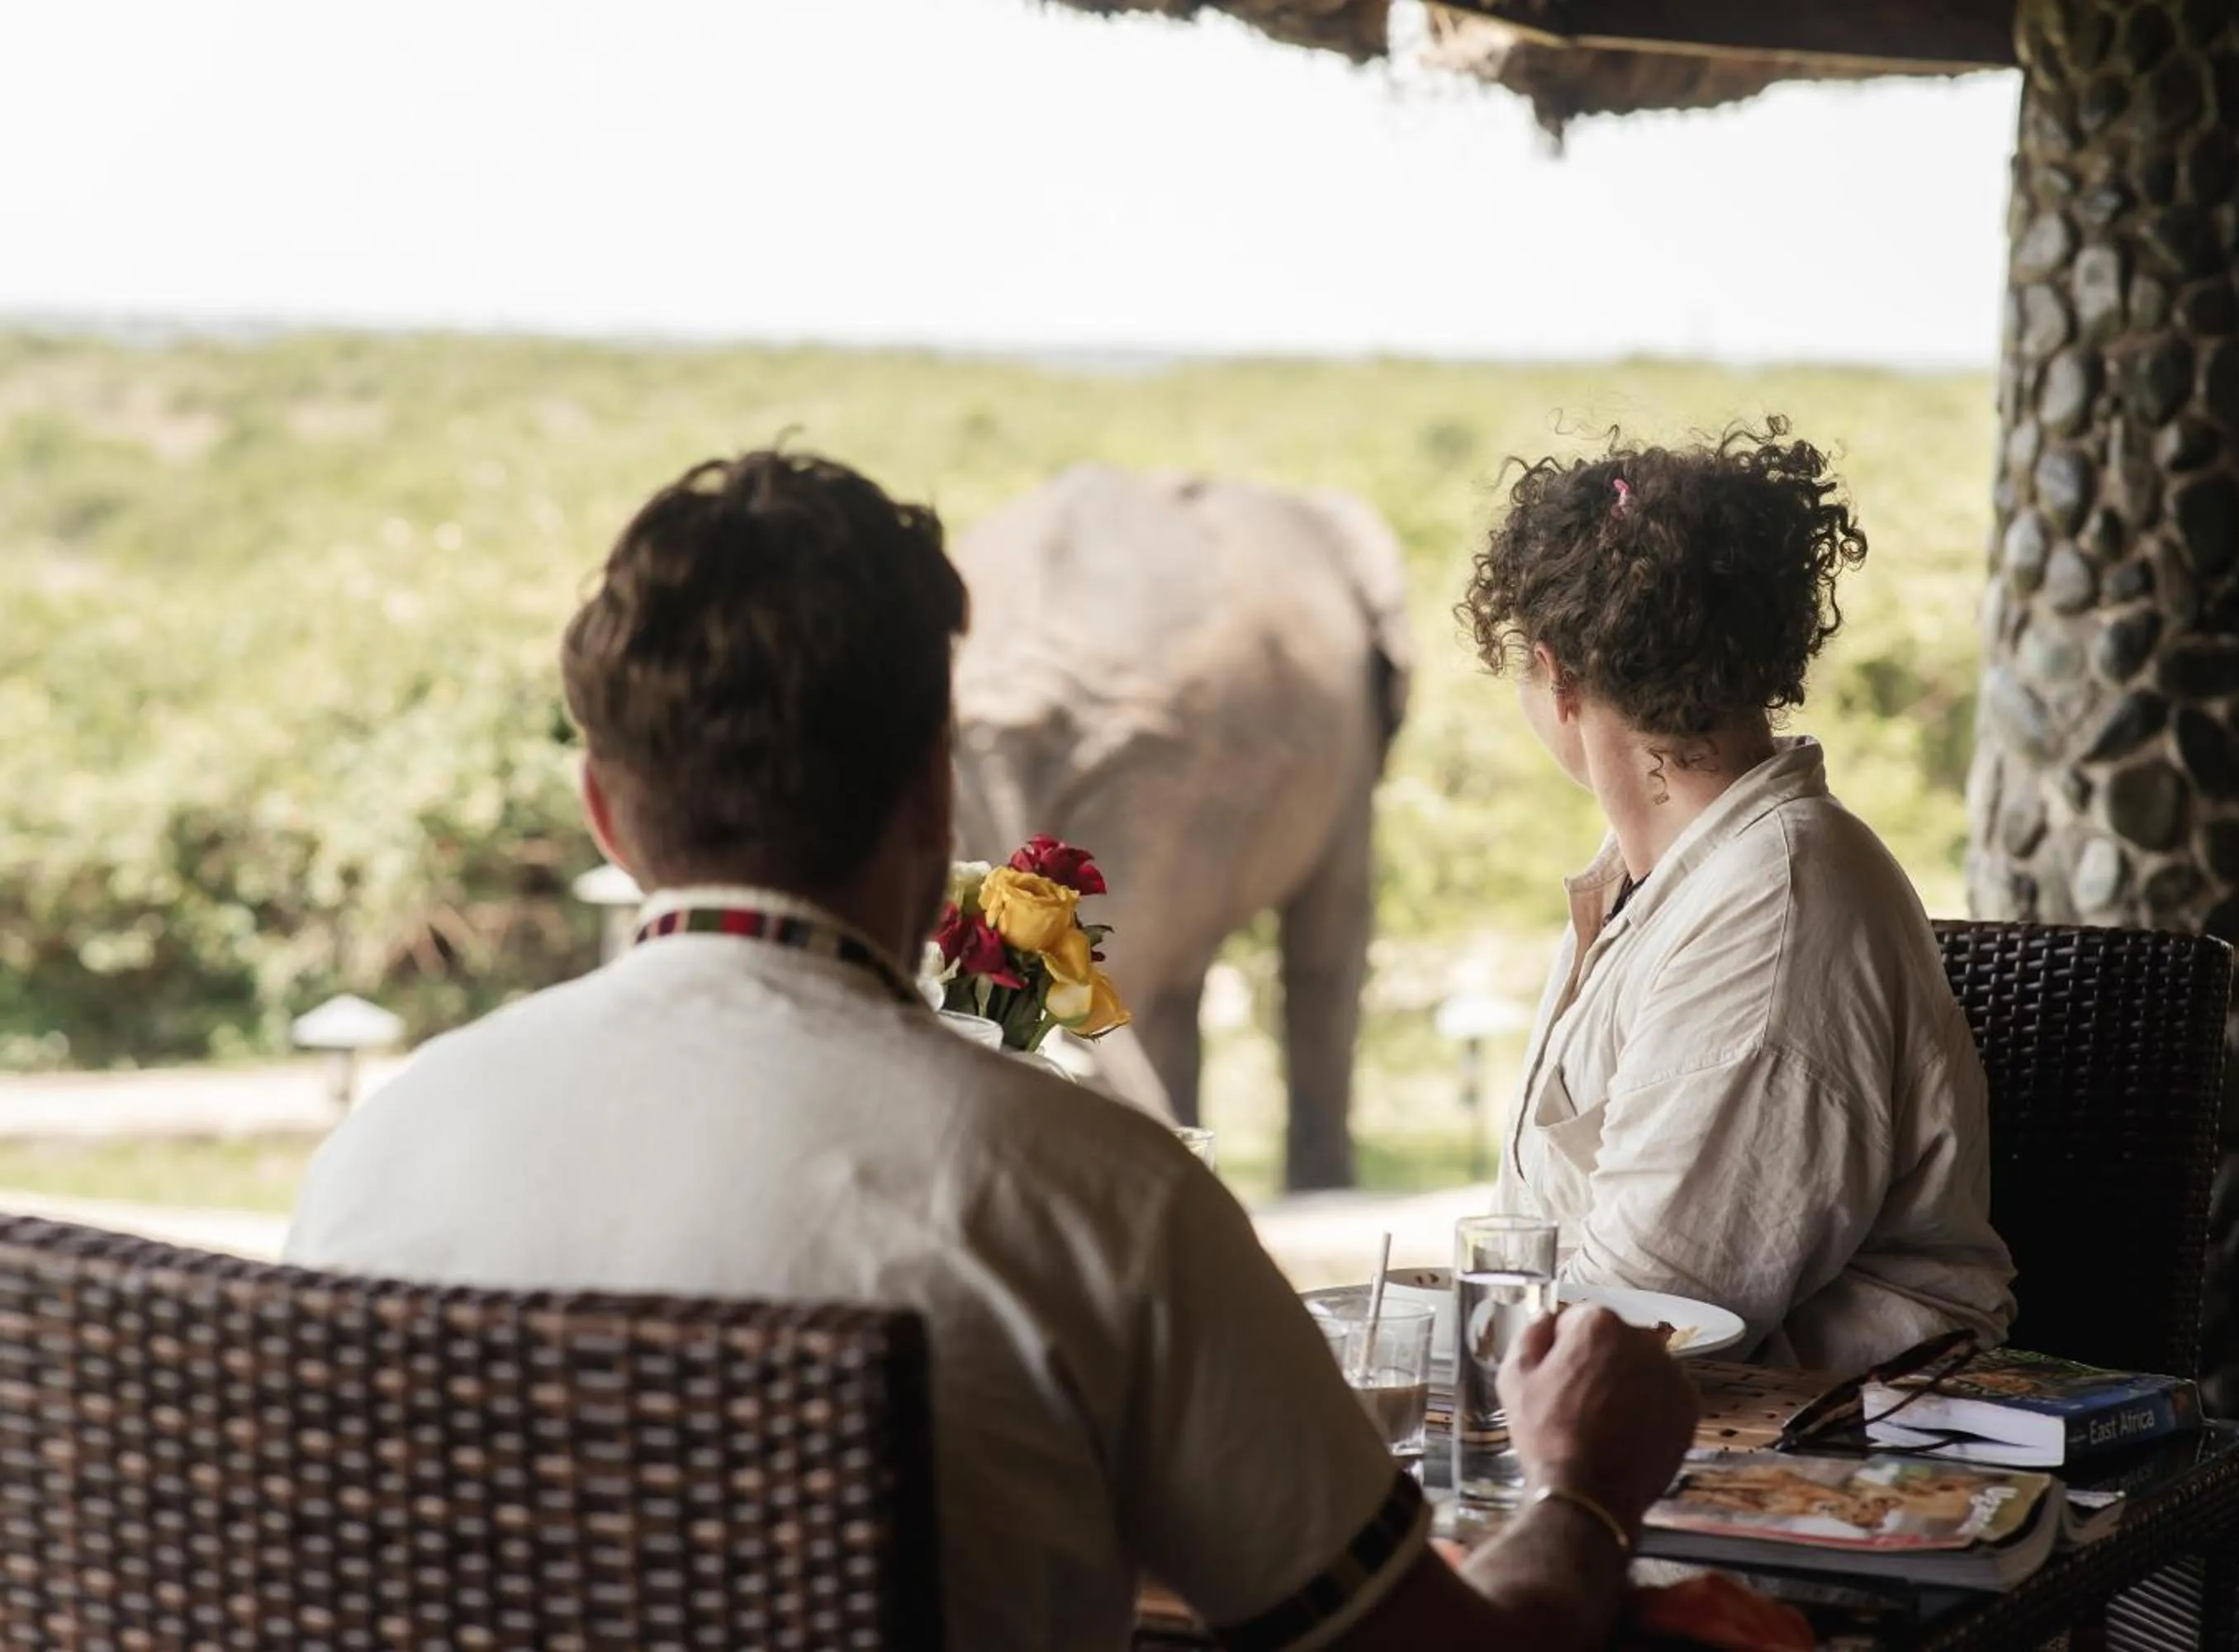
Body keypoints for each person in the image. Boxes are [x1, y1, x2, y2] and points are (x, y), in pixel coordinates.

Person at [284, 449, 1701, 1652]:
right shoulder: (1095, 1199)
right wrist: (1584, 1489)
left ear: (605, 811)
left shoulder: (381, 1154)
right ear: (929, 798)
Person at [1462, 418, 2016, 1379]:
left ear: (1556, 675)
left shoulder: (1773, 910)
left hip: (1822, 1462)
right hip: (1671, 1433)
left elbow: (1641, 1322)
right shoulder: (1665, 880)